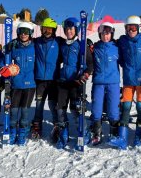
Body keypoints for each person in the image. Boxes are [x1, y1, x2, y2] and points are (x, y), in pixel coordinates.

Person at [108, 15, 141, 150]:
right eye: (128, 28)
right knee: (125, 106)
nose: (131, 30)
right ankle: (122, 136)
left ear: (139, 28)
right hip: (128, 79)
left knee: (139, 107)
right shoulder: (122, 40)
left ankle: (139, 134)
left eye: (133, 28)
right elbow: (115, 50)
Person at [55, 17, 93, 149]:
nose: (69, 31)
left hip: (76, 82)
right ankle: (64, 134)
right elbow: (57, 60)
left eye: (71, 29)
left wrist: (85, 74)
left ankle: (84, 133)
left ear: (76, 30)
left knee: (76, 109)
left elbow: (90, 64)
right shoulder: (63, 45)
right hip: (63, 81)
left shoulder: (81, 45)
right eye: (67, 29)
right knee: (60, 109)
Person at [0, 21, 35, 145]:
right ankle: (12, 131)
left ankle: (22, 132)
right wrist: (5, 69)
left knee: (25, 111)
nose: (23, 34)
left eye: (26, 32)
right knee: (13, 111)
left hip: (30, 85)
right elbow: (4, 61)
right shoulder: (13, 46)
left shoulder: (35, 47)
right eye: (21, 31)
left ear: (31, 33)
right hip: (15, 84)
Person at [88, 22, 120, 145]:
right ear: (100, 34)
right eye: (103, 34)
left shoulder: (117, 47)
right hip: (98, 82)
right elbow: (88, 58)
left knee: (113, 109)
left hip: (113, 82)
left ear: (111, 34)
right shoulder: (95, 48)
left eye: (108, 34)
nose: (106, 36)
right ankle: (97, 132)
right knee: (96, 109)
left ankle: (114, 132)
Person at [31, 17, 62, 141]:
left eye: (49, 29)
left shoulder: (59, 42)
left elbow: (72, 43)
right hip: (39, 79)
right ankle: (37, 127)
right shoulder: (37, 42)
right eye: (44, 29)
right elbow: (24, 42)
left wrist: (86, 44)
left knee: (53, 104)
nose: (46, 31)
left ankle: (56, 127)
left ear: (54, 30)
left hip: (54, 79)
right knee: (39, 105)